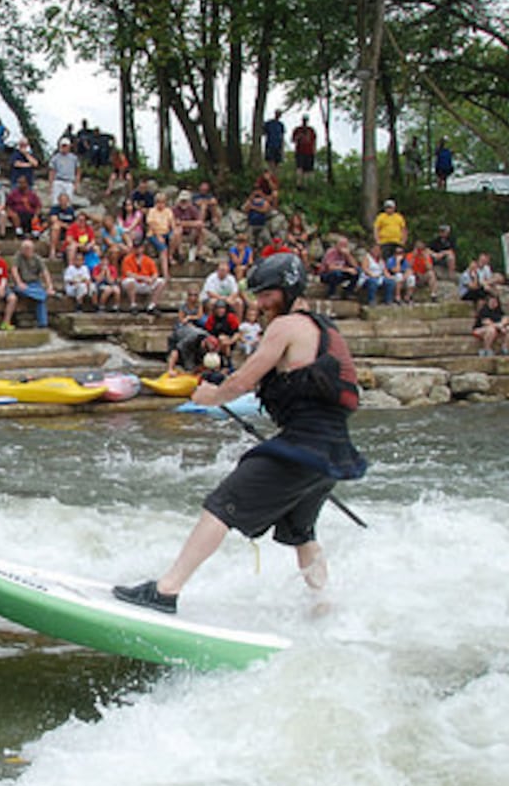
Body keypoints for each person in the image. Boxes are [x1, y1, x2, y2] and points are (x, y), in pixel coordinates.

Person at [114, 253, 366, 614]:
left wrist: (210, 396)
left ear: (289, 291)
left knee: (221, 505)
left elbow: (244, 380)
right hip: (332, 453)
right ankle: (323, 607)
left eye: (267, 295)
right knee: (301, 531)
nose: (260, 303)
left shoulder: (286, 326)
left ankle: (166, 591)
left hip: (304, 447)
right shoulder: (324, 329)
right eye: (258, 295)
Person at [3, 238, 57, 329]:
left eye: (29, 248)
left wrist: (50, 286)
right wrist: (19, 282)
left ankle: (43, 323)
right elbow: (14, 270)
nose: (27, 250)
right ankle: (43, 294)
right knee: (37, 294)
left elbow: (45, 272)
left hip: (34, 284)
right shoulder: (18, 257)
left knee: (40, 299)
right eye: (25, 248)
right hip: (23, 284)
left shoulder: (37, 258)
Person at [471, 291, 509, 356]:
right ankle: (487, 349)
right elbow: (486, 322)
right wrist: (499, 326)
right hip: (480, 329)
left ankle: (504, 348)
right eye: (492, 301)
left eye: (495, 302)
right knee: (491, 330)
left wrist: (502, 325)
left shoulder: (499, 310)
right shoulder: (484, 310)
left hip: (497, 328)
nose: (494, 303)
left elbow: (505, 318)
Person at [291, 114, 318, 187]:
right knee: (299, 168)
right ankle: (299, 184)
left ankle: (307, 185)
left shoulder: (311, 130)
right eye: (304, 120)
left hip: (309, 152)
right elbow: (293, 140)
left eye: (306, 120)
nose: (305, 122)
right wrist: (299, 137)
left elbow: (314, 141)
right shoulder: (297, 129)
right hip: (300, 152)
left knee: (308, 170)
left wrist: (314, 151)